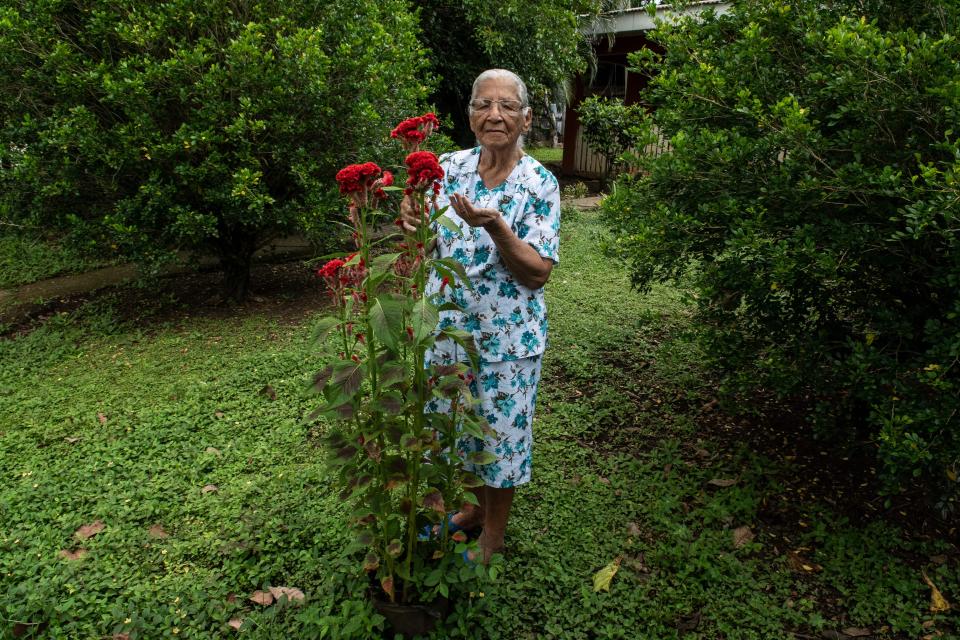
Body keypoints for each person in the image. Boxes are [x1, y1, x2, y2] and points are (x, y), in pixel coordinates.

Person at [400, 69, 561, 563]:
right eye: (483, 104)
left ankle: (493, 536)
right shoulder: (447, 167)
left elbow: (536, 273)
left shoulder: (540, 183)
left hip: (505, 340)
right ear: (469, 115)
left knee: (501, 438)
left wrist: (496, 227)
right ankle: (469, 511)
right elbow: (424, 243)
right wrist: (409, 219)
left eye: (507, 106)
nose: (495, 115)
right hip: (446, 332)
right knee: (452, 429)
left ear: (526, 118)